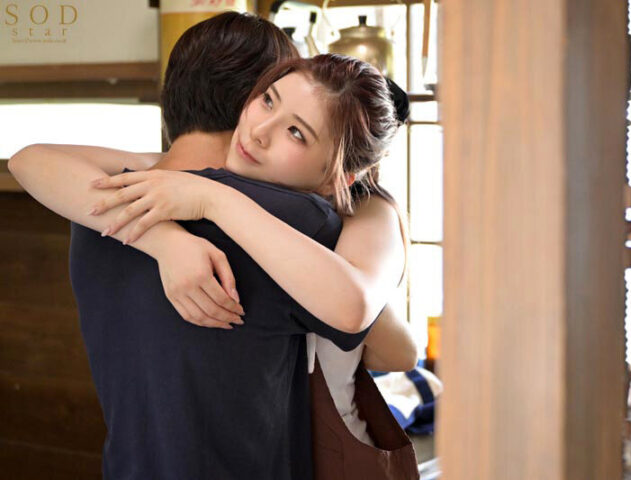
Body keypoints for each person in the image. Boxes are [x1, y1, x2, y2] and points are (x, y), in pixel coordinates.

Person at [9, 12, 415, 480]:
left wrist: (185, 221)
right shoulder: (298, 219)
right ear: (248, 98)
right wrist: (173, 238)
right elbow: (396, 350)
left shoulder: (98, 198)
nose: (261, 130)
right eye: (268, 100)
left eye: (297, 131)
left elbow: (29, 160)